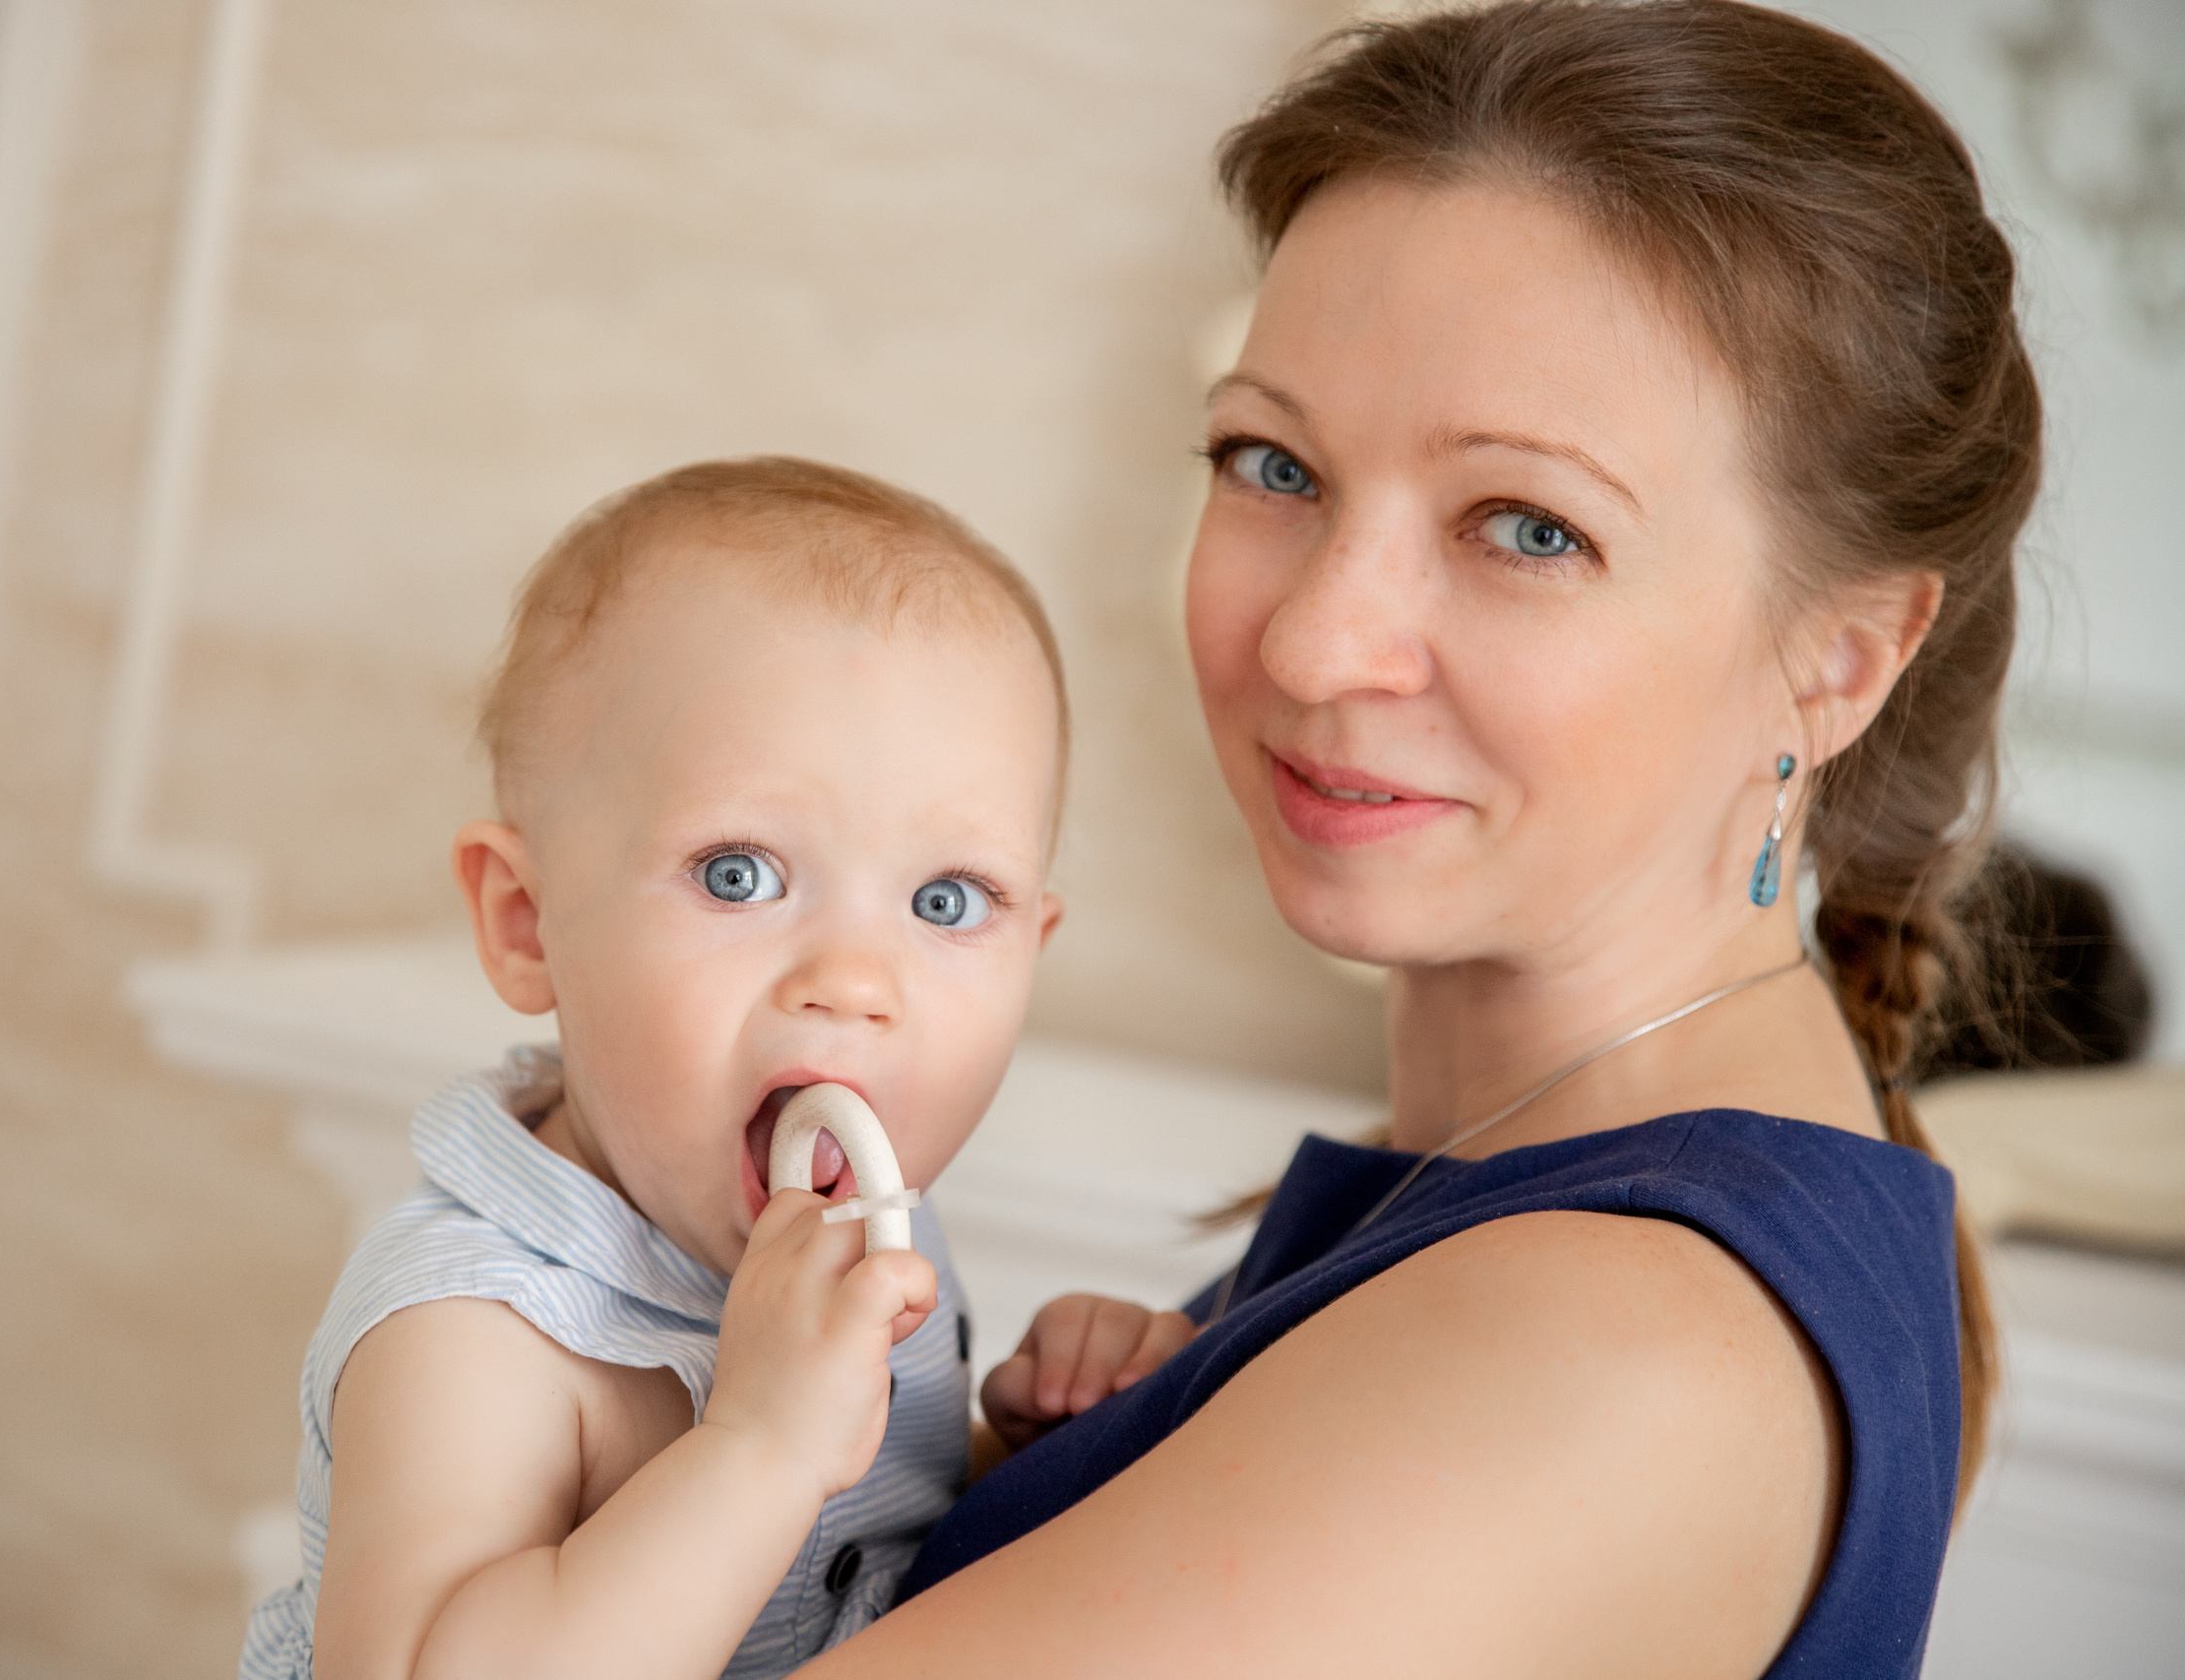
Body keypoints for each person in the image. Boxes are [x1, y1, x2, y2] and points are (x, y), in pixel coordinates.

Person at [796, 5, 2042, 1674]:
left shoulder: (1612, 1343)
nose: (1313, 645)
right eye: (1274, 462)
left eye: (1529, 526)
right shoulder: (1515, 1199)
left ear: (1838, 659)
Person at [240, 457, 1117, 1680]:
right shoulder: (480, 1328)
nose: (855, 980)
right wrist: (757, 1445)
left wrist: (1013, 1454)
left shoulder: (874, 1244)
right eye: (738, 875)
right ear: (527, 923)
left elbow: (845, 1560)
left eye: (946, 898)